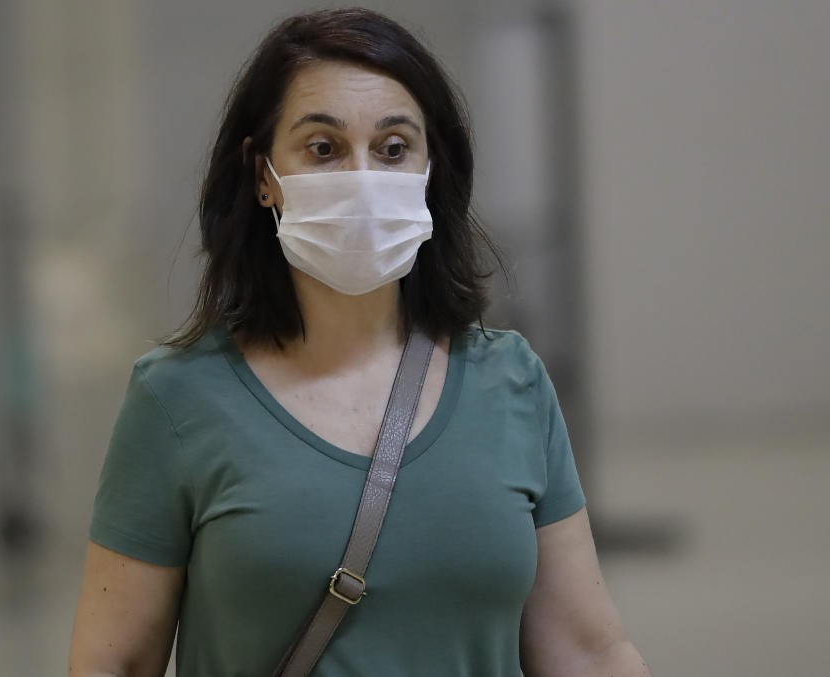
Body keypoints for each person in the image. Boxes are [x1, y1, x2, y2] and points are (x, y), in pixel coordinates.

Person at [69, 8, 651, 677]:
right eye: (323, 148)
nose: (363, 177)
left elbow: (587, 650)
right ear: (262, 174)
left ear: (431, 169)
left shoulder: (509, 381)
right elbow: (113, 663)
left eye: (394, 148)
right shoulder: (177, 399)